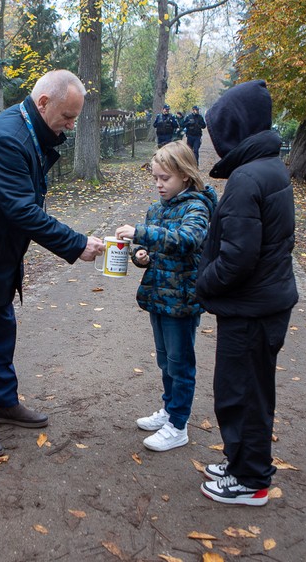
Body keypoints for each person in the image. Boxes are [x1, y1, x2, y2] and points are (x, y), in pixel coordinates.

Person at [0, 70, 105, 459]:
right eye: (67, 116)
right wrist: (76, 243)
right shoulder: (5, 138)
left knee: (1, 334)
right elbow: (21, 210)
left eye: (75, 118)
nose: (71, 125)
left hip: (1, 257)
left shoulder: (31, 130)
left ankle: (5, 403)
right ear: (43, 102)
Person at [195, 80, 298, 506]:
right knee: (248, 389)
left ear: (233, 130)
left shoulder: (246, 178)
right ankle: (241, 462)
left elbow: (237, 258)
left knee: (242, 394)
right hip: (262, 305)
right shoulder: (268, 167)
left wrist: (202, 283)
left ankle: (251, 480)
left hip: (252, 310)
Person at [115, 141, 217, 452]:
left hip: (182, 301)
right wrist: (141, 256)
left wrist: (141, 233)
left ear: (185, 176)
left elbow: (188, 240)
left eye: (166, 178)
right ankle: (169, 409)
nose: (159, 184)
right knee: (165, 361)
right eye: (156, 178)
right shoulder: (156, 209)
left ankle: (178, 424)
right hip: (158, 296)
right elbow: (153, 248)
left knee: (180, 363)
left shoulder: (196, 207)